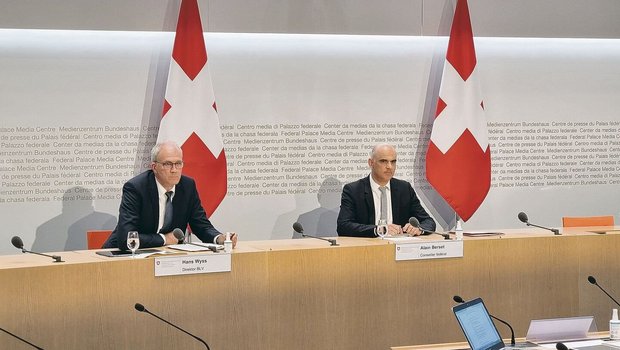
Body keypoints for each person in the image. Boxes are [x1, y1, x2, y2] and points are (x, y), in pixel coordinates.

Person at [103, 141, 237, 250]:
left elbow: (201, 224)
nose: (174, 170)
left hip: (166, 255)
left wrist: (220, 238)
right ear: (154, 167)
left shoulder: (187, 186)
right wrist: (164, 239)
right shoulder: (136, 188)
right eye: (168, 164)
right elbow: (127, 238)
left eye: (178, 164)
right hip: (124, 254)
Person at [337, 143, 436, 237]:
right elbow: (343, 226)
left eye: (393, 162)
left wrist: (419, 229)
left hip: (399, 248)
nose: (389, 166)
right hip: (368, 247)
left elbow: (429, 222)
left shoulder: (404, 188)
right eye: (383, 161)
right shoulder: (353, 190)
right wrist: (378, 230)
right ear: (371, 163)